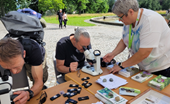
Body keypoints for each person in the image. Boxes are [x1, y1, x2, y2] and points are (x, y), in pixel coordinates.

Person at [103, 0, 170, 77]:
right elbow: (124, 40)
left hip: (162, 68)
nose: (119, 20)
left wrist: (121, 65)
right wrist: (112, 54)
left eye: (120, 16)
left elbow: (144, 53)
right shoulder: (129, 21)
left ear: (131, 12)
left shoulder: (150, 20)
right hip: (145, 67)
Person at [0, 38, 48, 104]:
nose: (14, 72)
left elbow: (39, 81)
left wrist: (29, 93)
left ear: (24, 54)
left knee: (41, 79)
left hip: (33, 54)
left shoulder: (34, 50)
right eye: (8, 68)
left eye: (16, 67)